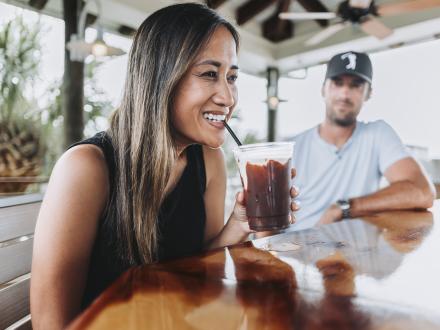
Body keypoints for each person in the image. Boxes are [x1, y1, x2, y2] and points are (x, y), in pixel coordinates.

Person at [30, 3, 299, 328]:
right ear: (160, 78)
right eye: (209, 74)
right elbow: (51, 324)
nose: (228, 97)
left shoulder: (209, 159)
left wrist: (240, 225)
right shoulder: (87, 168)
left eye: (231, 77)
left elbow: (201, 269)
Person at [290, 51, 435, 230]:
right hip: (295, 249)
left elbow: (422, 192)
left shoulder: (377, 134)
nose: (345, 93)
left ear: (368, 94)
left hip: (351, 251)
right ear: (323, 89)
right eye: (337, 83)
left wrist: (344, 208)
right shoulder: (293, 147)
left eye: (356, 85)